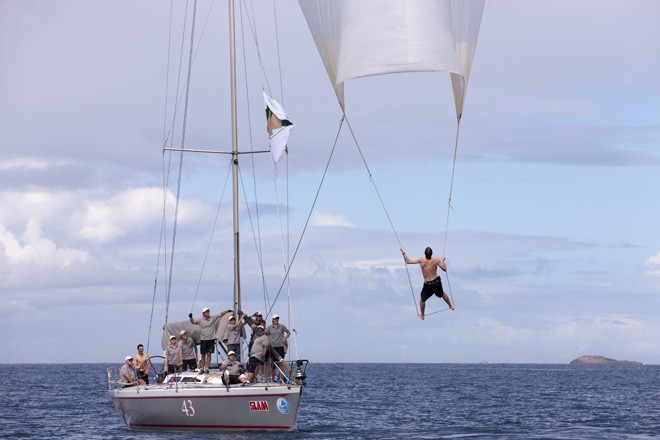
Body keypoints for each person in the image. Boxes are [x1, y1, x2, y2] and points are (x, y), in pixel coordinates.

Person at [401, 246, 455, 320]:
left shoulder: (421, 260)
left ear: (424, 254)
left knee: (422, 299)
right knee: (442, 294)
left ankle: (422, 315)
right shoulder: (436, 260)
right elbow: (444, 269)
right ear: (431, 254)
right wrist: (442, 261)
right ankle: (451, 305)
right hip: (436, 282)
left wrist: (403, 252)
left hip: (428, 284)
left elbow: (408, 261)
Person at [189, 307, 231, 373]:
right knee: (203, 354)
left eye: (208, 311)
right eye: (206, 312)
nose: (208, 312)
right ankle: (202, 368)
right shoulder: (200, 320)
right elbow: (193, 322)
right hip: (203, 339)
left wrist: (227, 311)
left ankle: (207, 367)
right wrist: (191, 317)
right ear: (203, 313)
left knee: (209, 354)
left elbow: (220, 314)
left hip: (211, 339)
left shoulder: (212, 317)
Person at [265, 314, 290, 381]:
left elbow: (288, 332)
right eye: (275, 318)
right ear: (272, 320)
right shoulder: (269, 327)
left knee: (281, 363)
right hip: (272, 348)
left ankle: (281, 378)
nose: (276, 320)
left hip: (280, 347)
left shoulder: (281, 326)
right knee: (272, 365)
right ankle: (272, 379)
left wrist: (285, 338)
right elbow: (265, 334)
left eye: (277, 318)